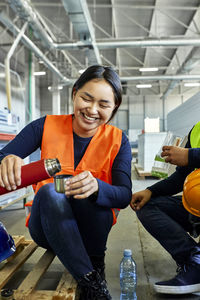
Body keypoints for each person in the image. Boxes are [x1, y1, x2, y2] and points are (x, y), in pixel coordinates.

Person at [0, 65, 132, 300]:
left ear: (114, 108)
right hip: (47, 227)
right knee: (51, 192)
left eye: (103, 104)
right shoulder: (45, 125)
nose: (92, 110)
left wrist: (98, 187)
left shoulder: (118, 140)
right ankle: (93, 285)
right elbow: (4, 156)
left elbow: (123, 195)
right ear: (74, 94)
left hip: (91, 229)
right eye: (86, 99)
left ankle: (92, 263)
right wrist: (7, 158)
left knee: (95, 200)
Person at [131, 122, 200, 295]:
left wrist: (191, 156)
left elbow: (190, 157)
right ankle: (195, 261)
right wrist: (150, 191)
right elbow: (181, 178)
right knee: (148, 206)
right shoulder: (197, 130)